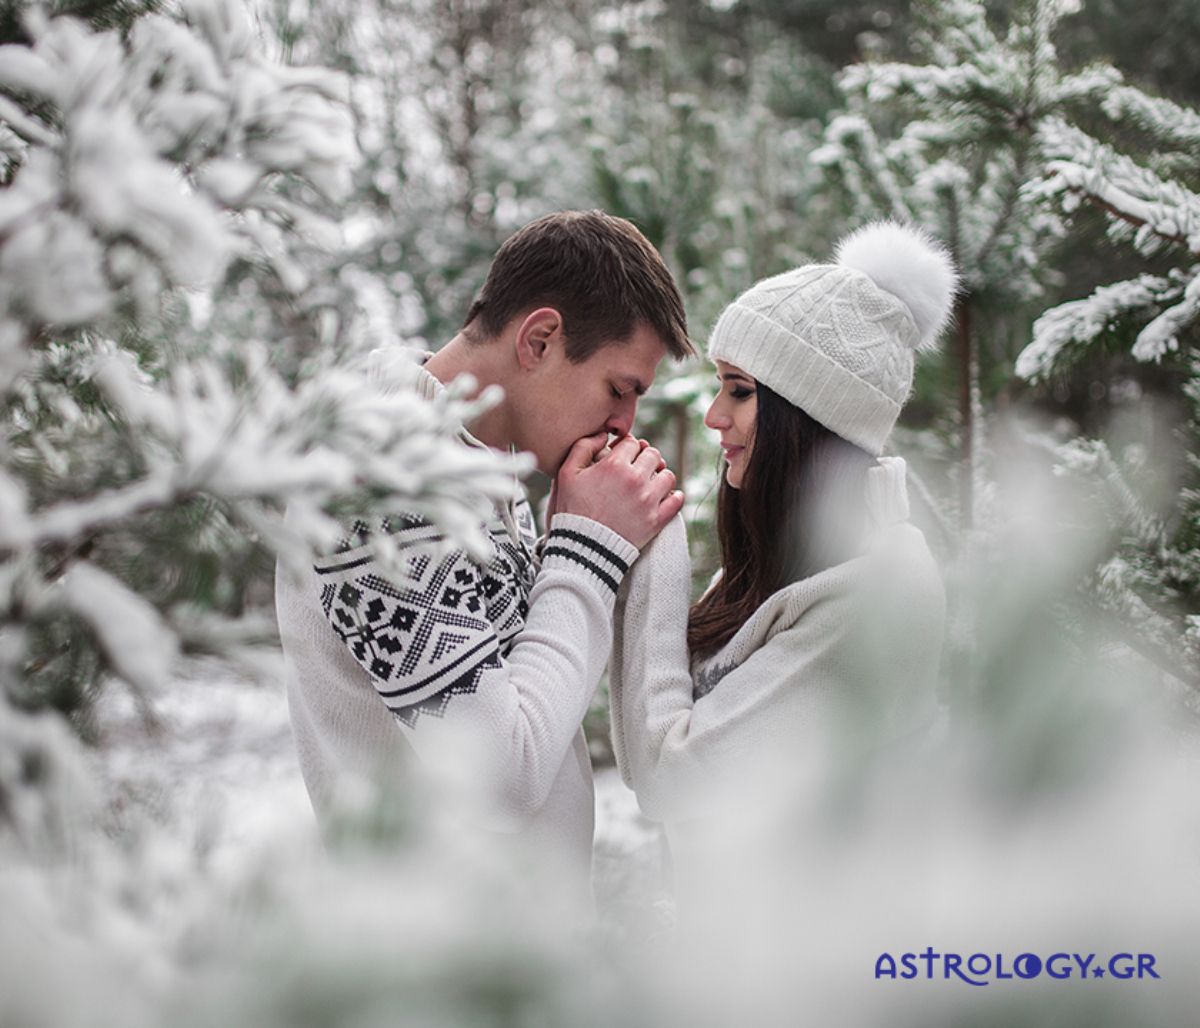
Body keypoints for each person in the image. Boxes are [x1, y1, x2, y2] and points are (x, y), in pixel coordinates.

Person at [276, 210, 692, 890]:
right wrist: (589, 549)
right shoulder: (377, 482)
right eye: (619, 389)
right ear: (541, 339)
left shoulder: (473, 465)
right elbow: (497, 776)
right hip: (430, 967)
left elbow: (529, 696)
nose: (625, 423)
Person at [608, 221, 954, 898]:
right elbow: (651, 732)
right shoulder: (774, 573)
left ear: (810, 416)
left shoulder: (873, 593)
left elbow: (667, 774)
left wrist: (655, 550)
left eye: (740, 390)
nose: (713, 415)